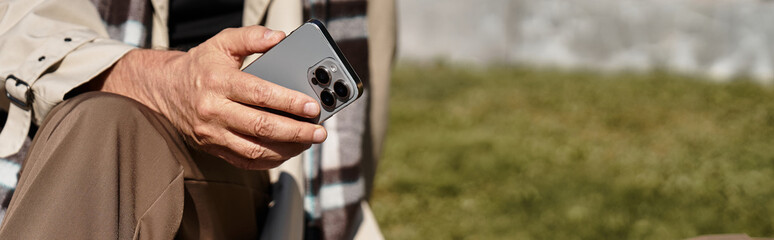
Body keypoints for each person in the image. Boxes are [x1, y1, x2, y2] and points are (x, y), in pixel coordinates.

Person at [0, 0, 395, 239]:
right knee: (105, 123)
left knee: (104, 127)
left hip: (252, 178)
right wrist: (157, 81)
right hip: (64, 128)